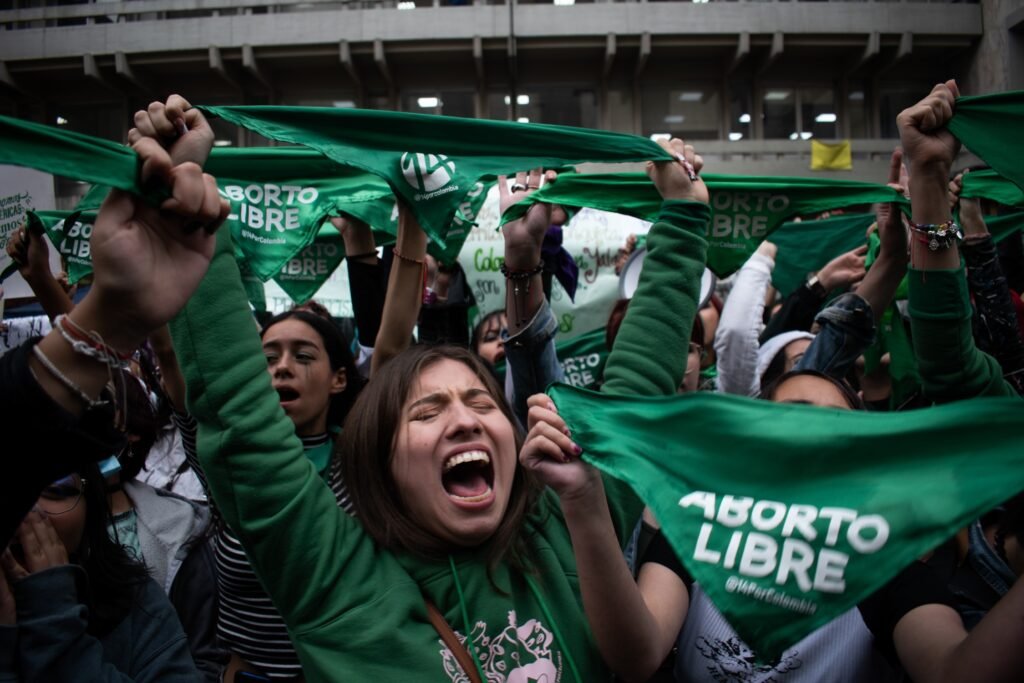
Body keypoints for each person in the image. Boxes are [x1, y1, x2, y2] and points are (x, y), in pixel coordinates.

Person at [163, 125, 709, 681]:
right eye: (427, 413)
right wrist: (188, 220)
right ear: (380, 463)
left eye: (482, 403)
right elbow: (242, 421)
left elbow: (637, 385)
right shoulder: (338, 578)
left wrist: (684, 219)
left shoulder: (566, 522)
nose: (465, 419)